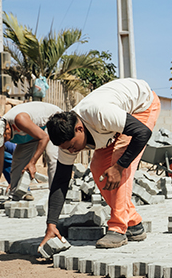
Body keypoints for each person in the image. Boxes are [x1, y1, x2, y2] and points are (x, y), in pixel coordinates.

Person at [41, 78, 161, 249]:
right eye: (68, 149)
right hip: (115, 122)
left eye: (73, 146)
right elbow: (60, 181)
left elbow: (142, 133)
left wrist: (119, 167)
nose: (72, 151)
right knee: (98, 169)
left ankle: (118, 229)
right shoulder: (67, 140)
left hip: (141, 106)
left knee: (119, 165)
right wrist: (51, 223)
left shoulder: (99, 114)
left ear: (79, 129)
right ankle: (134, 224)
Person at [0, 102, 62, 202]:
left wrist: (32, 163)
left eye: (4, 138)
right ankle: (16, 195)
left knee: (51, 156)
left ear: (7, 128)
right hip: (33, 131)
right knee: (17, 160)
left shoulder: (20, 120)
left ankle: (57, 195)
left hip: (53, 121)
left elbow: (44, 137)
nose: (5, 141)